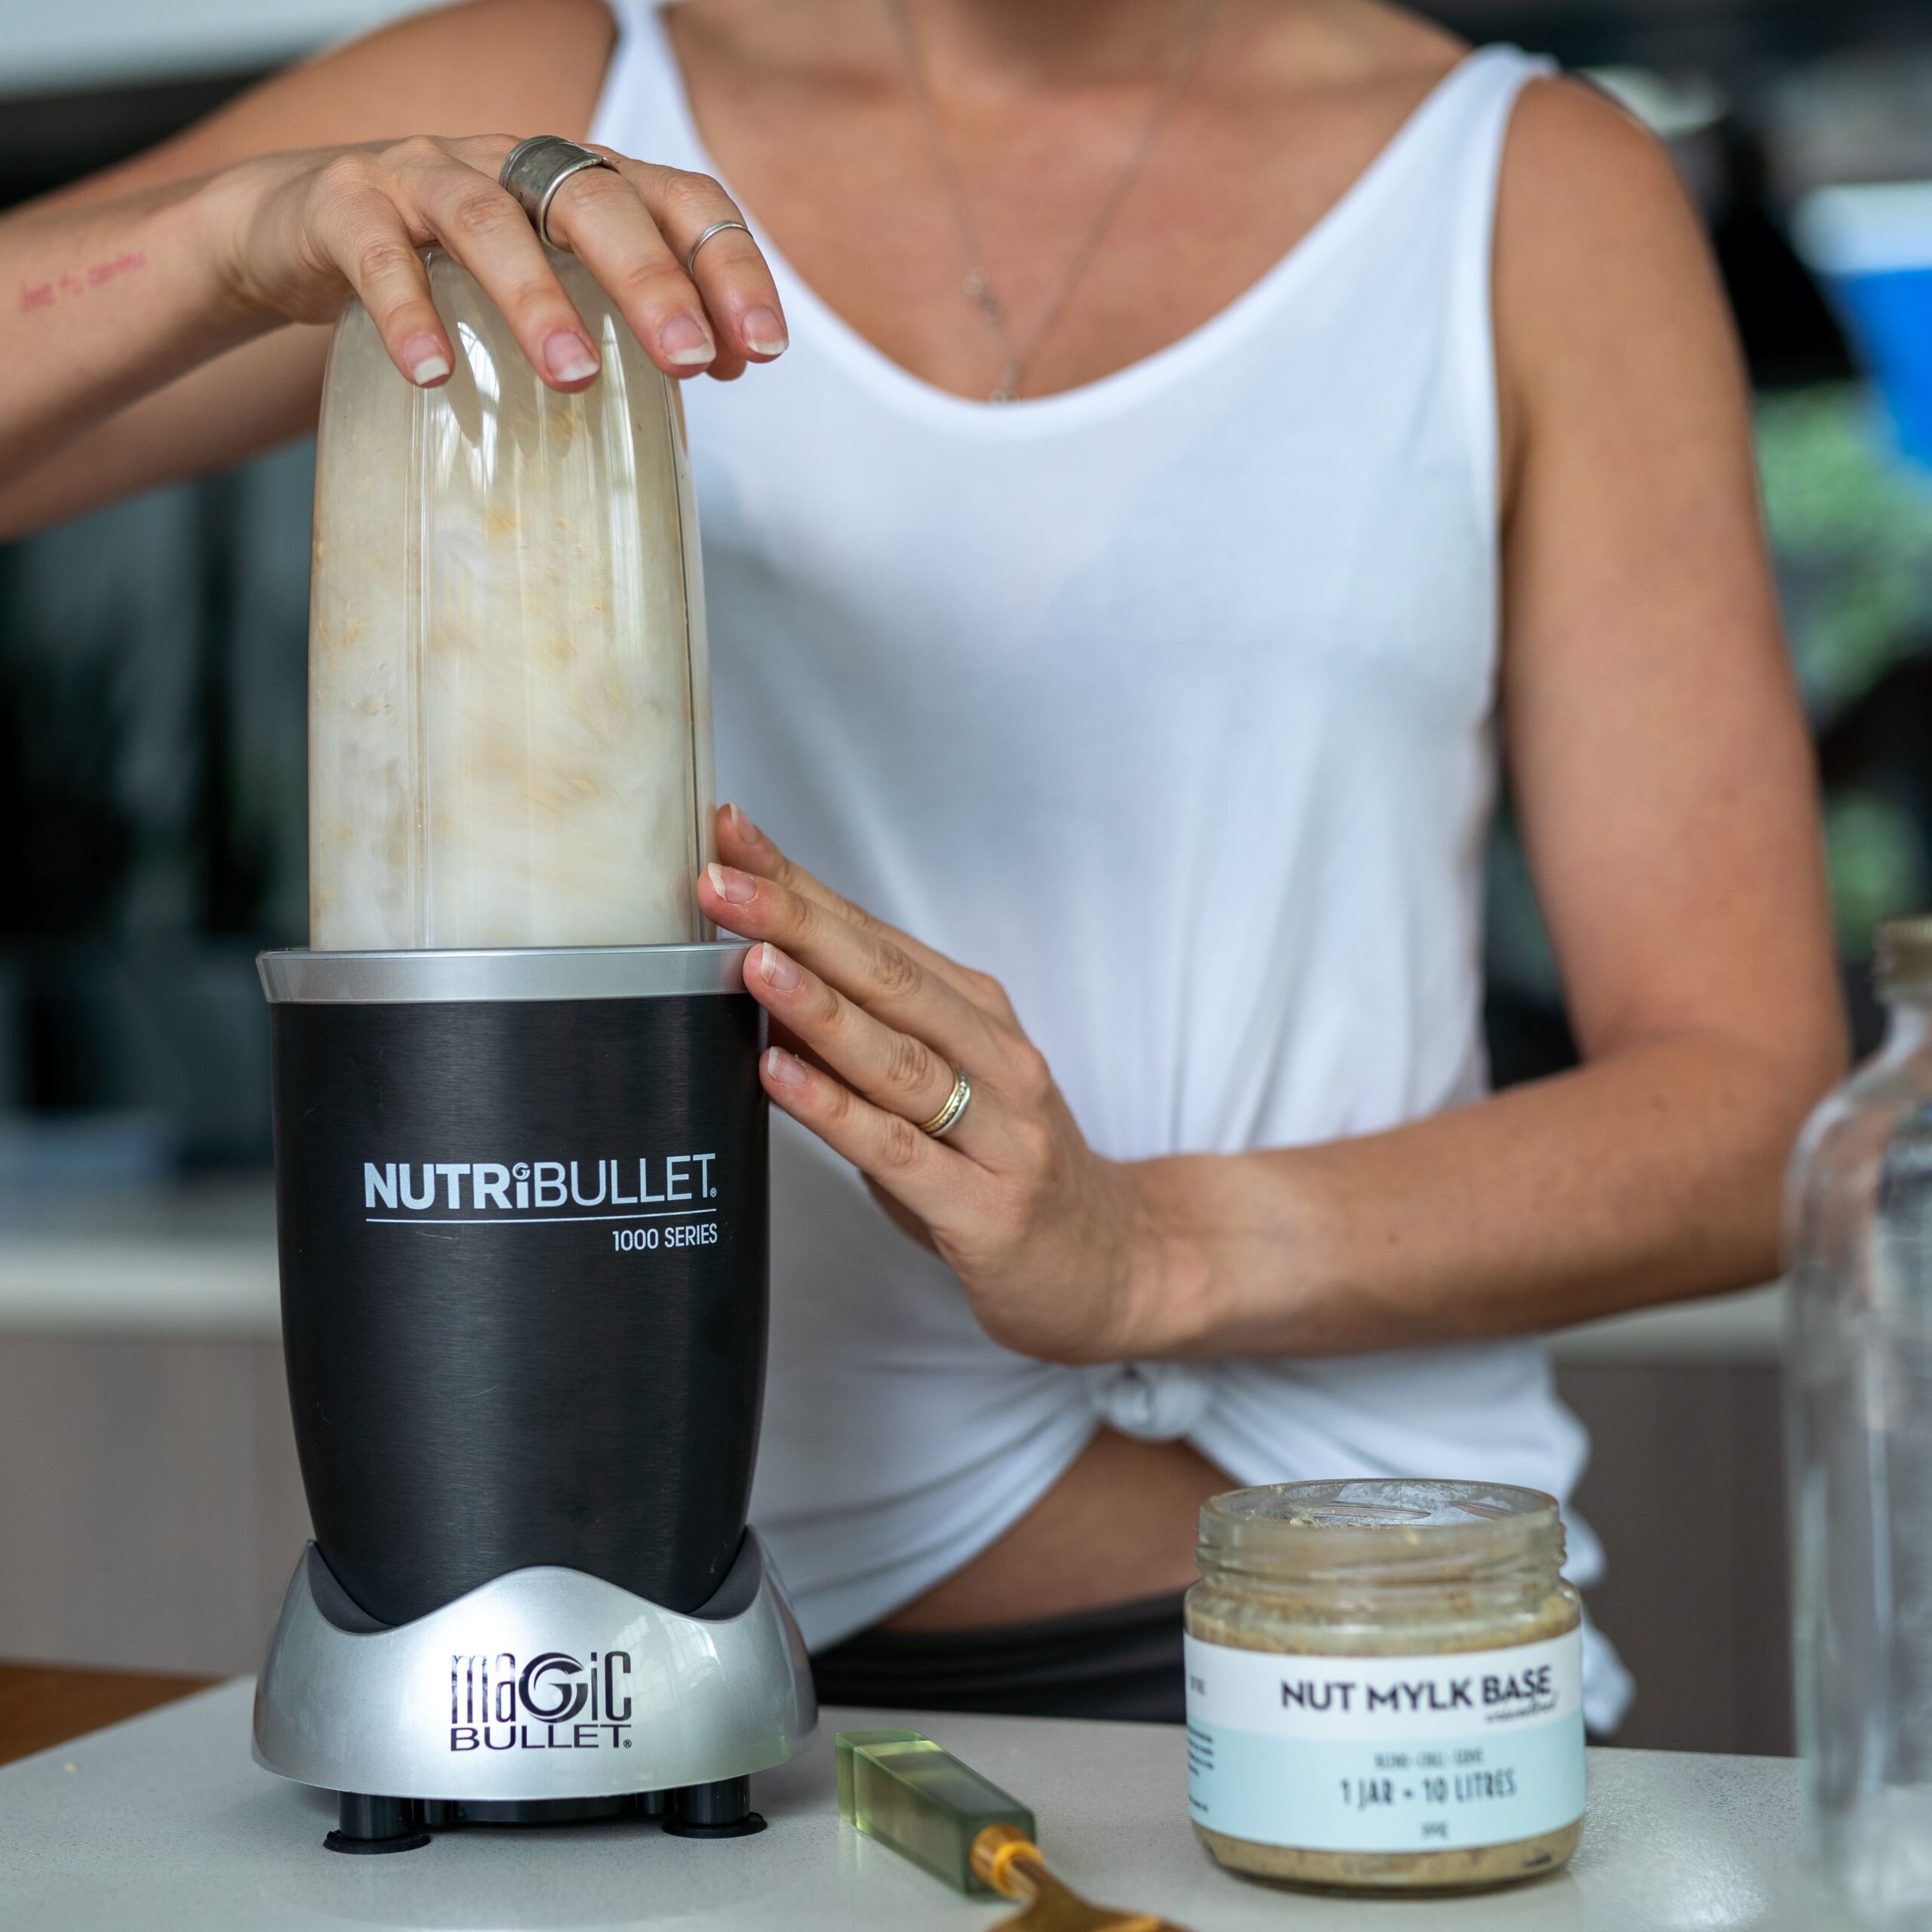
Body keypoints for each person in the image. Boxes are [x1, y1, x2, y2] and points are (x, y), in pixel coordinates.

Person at [0, 0, 1844, 1730]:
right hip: (658, 1693)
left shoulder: (1519, 186)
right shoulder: (553, 97)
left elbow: (1747, 1103)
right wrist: (223, 237)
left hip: (1355, 1676)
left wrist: (1153, 1251)